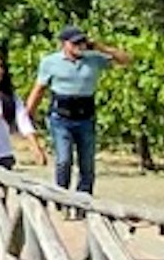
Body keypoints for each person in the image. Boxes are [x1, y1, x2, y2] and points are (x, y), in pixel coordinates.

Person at [31, 27, 122, 194]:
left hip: (85, 117)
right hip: (61, 117)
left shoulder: (93, 59)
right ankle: (61, 196)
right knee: (64, 160)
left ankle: (83, 201)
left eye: (82, 42)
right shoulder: (50, 62)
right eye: (75, 43)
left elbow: (125, 60)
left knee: (87, 163)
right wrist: (28, 114)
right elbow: (39, 89)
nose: (80, 46)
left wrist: (100, 47)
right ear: (64, 44)